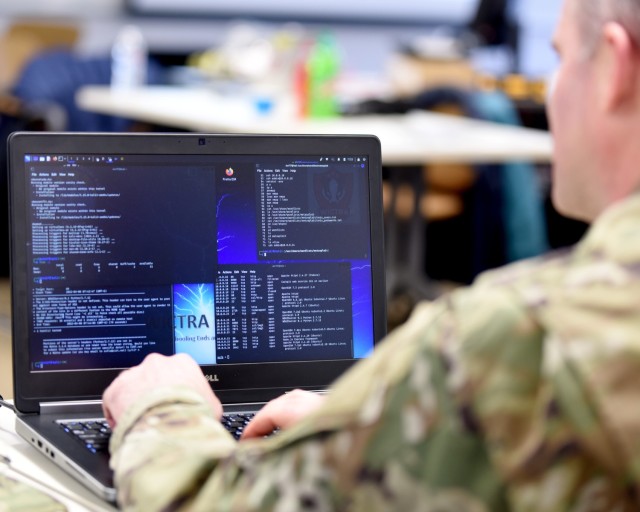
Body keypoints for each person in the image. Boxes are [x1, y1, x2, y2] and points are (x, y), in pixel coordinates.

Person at [102, 0, 640, 509]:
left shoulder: (517, 337)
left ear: (614, 66)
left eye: (562, 57)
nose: (551, 90)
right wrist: (371, 432)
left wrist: (161, 407)